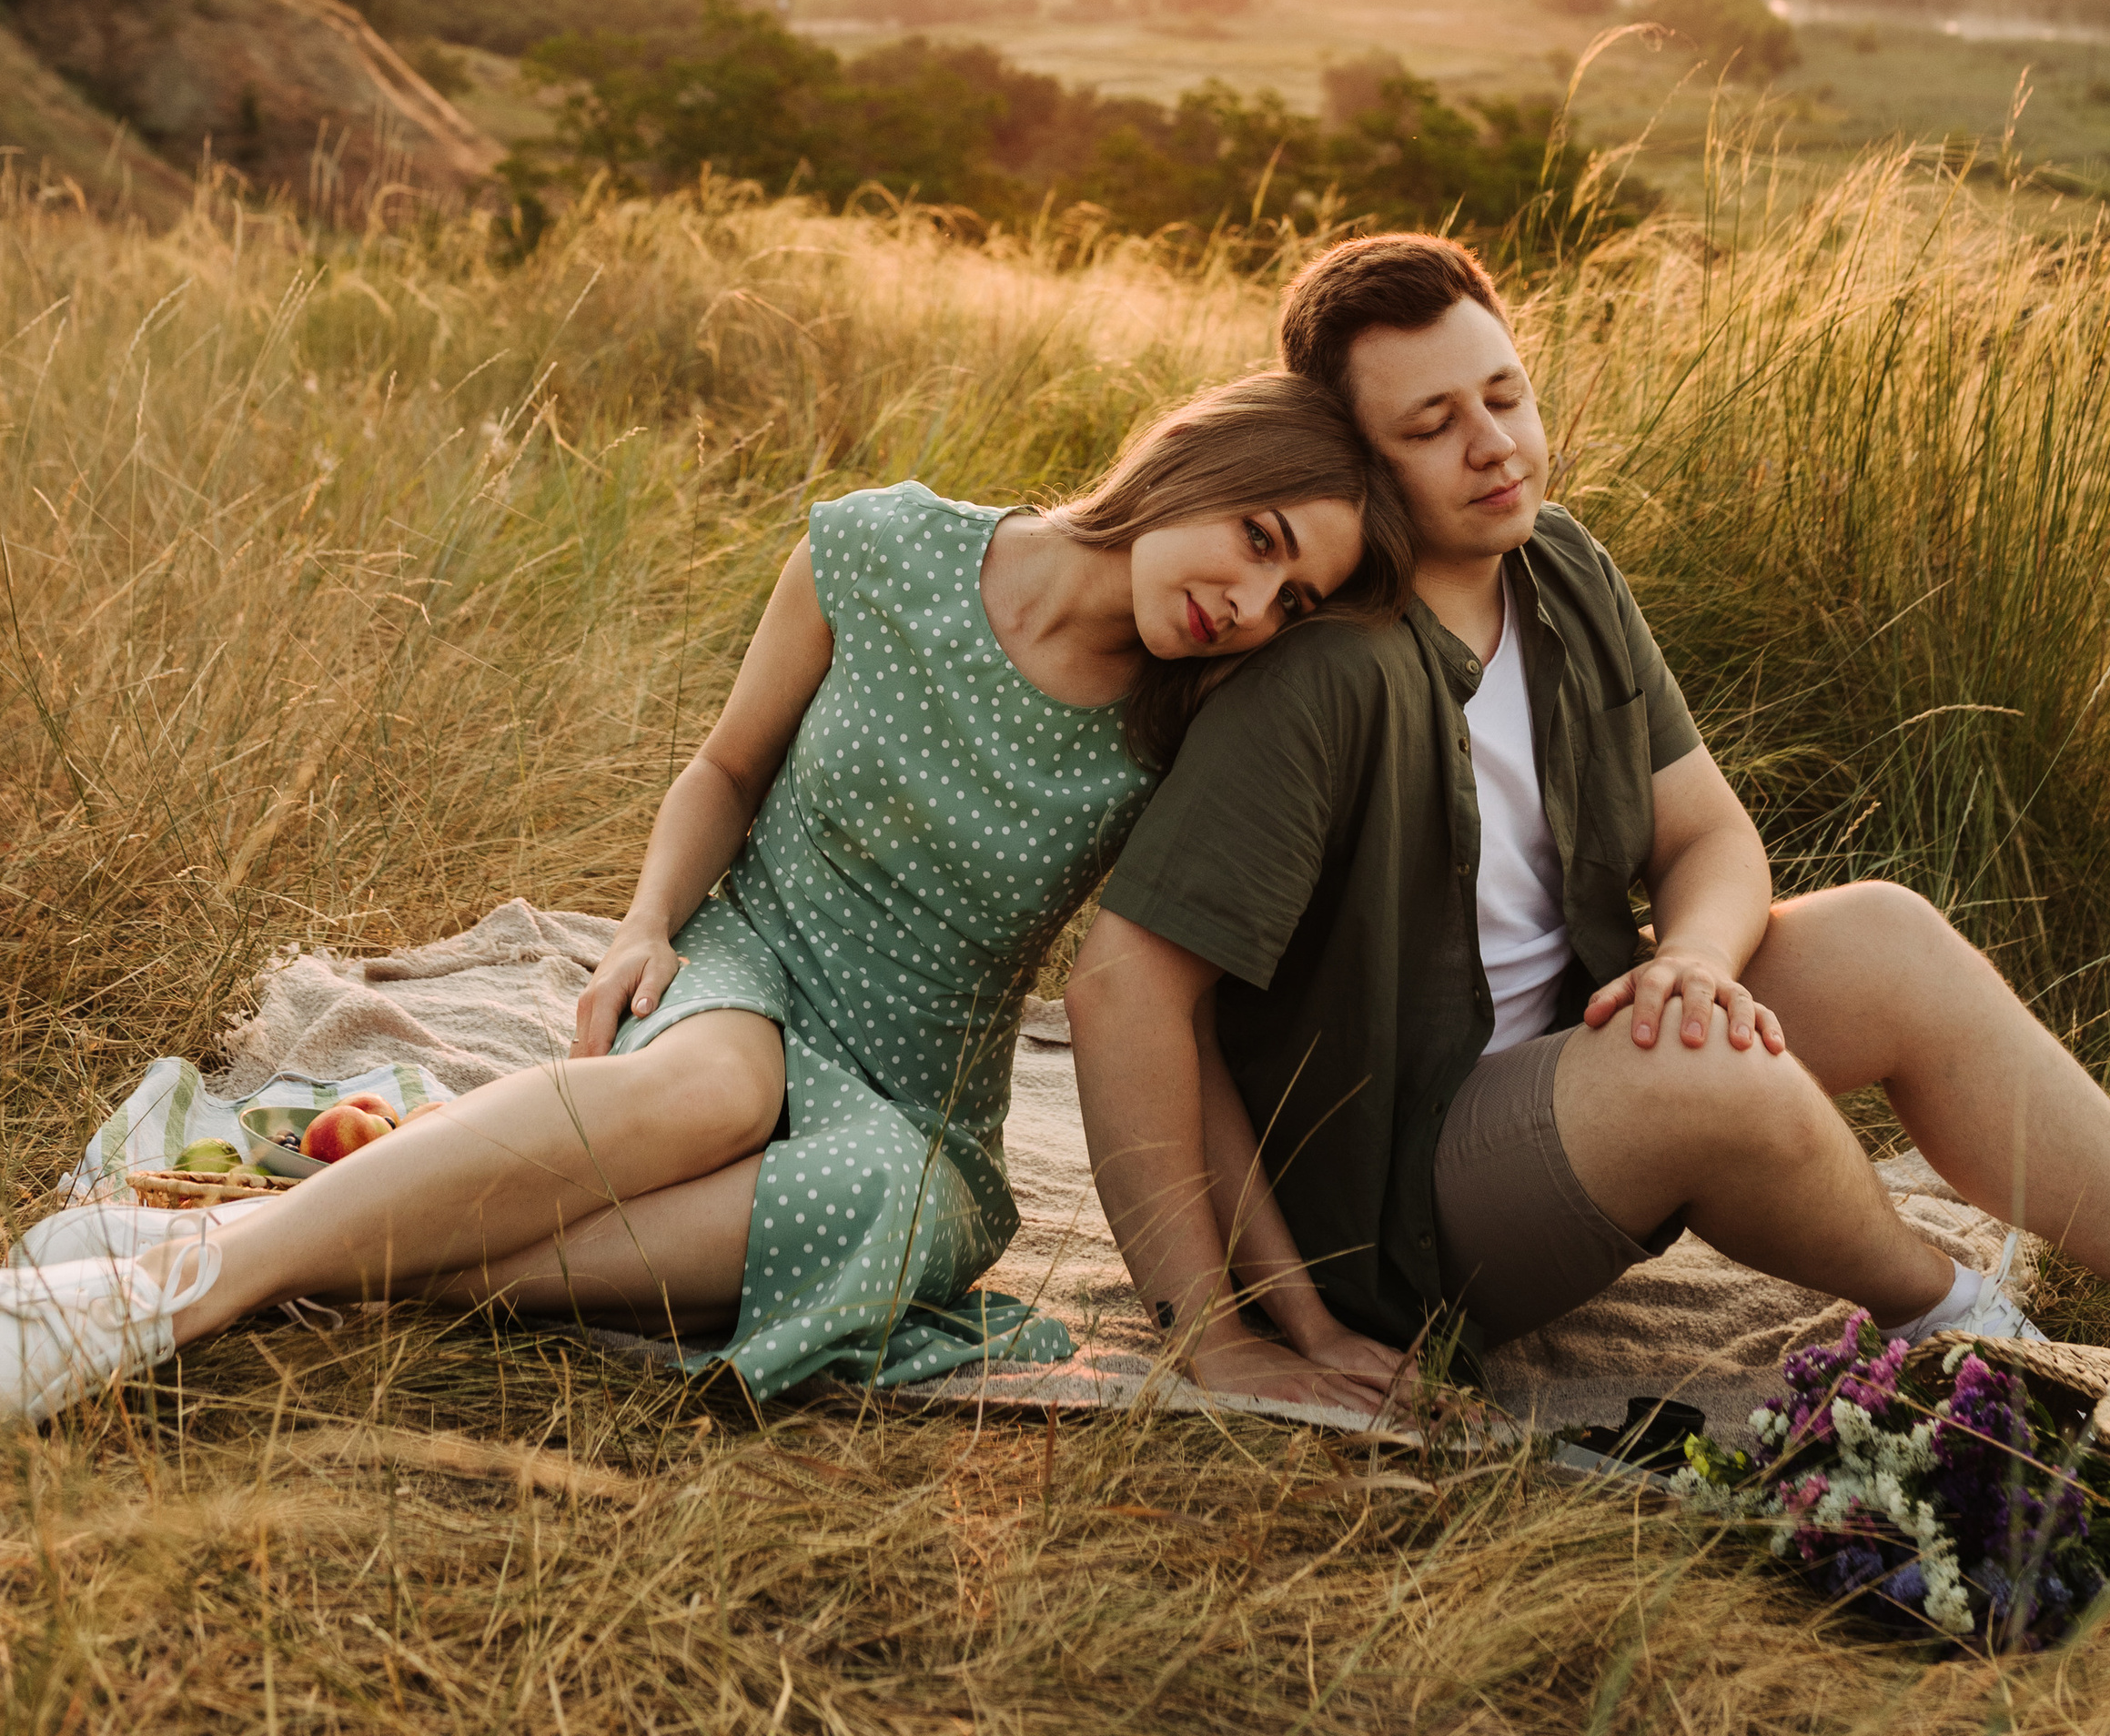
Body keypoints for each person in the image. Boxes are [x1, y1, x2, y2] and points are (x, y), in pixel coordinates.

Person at [1068, 233, 2110, 1418]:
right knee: (1703, 1068)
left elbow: (1712, 842)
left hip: (1574, 1065)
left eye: (1503, 395)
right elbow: (1124, 989)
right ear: (1356, 459)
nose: (1495, 444)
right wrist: (1218, 1330)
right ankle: (1964, 1331)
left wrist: (1691, 964)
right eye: (1433, 426)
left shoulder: (1560, 568)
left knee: (1887, 935)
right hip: (1397, 1204)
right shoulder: (1326, 670)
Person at [3, 373, 1410, 1427]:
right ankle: (169, 1298)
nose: (1253, 596)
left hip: (916, 1098)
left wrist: (1268, 1316)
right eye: (1260, 533)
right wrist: (645, 929)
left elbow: (1169, 1017)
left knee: (868, 1195)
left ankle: (223, 1249)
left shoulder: (1180, 736)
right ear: (1188, 462)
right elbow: (727, 767)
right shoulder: (882, 549)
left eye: (1296, 599)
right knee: (716, 1095)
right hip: (755, 961)